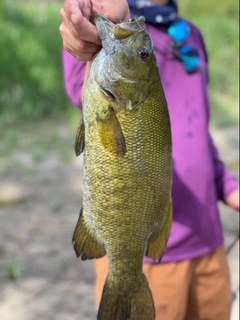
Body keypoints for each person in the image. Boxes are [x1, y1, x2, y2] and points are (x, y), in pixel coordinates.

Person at [59, 1, 239, 319]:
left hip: (209, 241)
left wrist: (229, 187)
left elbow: (199, 131)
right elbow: (80, 88)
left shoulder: (190, 35)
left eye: (144, 54)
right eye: (145, 55)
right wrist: (87, 26)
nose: (143, 50)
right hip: (145, 256)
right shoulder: (113, 30)